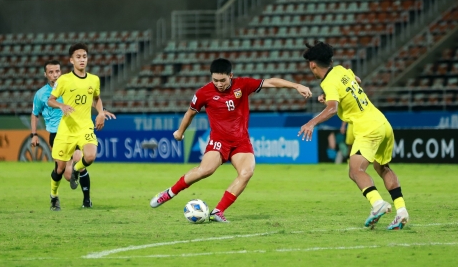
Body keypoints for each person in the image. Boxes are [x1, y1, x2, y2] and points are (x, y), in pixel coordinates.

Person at [149, 58, 312, 222]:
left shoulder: (243, 85)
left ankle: (218, 211)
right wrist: (180, 131)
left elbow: (271, 82)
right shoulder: (203, 93)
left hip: (241, 141)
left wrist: (296, 86)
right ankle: (169, 193)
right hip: (219, 141)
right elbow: (190, 113)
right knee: (206, 170)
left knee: (246, 173)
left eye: (222, 80)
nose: (219, 84)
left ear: (231, 76)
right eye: (215, 80)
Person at [298, 41, 409, 230]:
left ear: (312, 64)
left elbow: (332, 109)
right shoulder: (342, 70)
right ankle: (401, 212)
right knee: (382, 167)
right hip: (382, 122)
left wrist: (311, 122)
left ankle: (377, 204)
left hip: (368, 128)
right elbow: (356, 81)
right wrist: (333, 96)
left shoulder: (328, 82)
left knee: (355, 170)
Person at [31, 59, 115, 211]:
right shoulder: (41, 94)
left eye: (57, 71)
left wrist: (102, 111)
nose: (55, 75)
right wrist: (34, 134)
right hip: (57, 133)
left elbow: (87, 99)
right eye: (51, 72)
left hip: (77, 129)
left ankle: (87, 200)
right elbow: (35, 114)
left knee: (80, 163)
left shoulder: (68, 84)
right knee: (63, 171)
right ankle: (54, 197)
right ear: (46, 74)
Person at [47, 43, 107, 211]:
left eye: (84, 57)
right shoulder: (64, 80)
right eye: (78, 57)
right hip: (67, 129)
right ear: (71, 60)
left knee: (90, 156)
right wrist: (61, 106)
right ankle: (54, 196)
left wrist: (101, 112)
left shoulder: (94, 79)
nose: (82, 60)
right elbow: (50, 100)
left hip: (85, 127)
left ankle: (76, 169)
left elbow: (96, 98)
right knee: (59, 168)